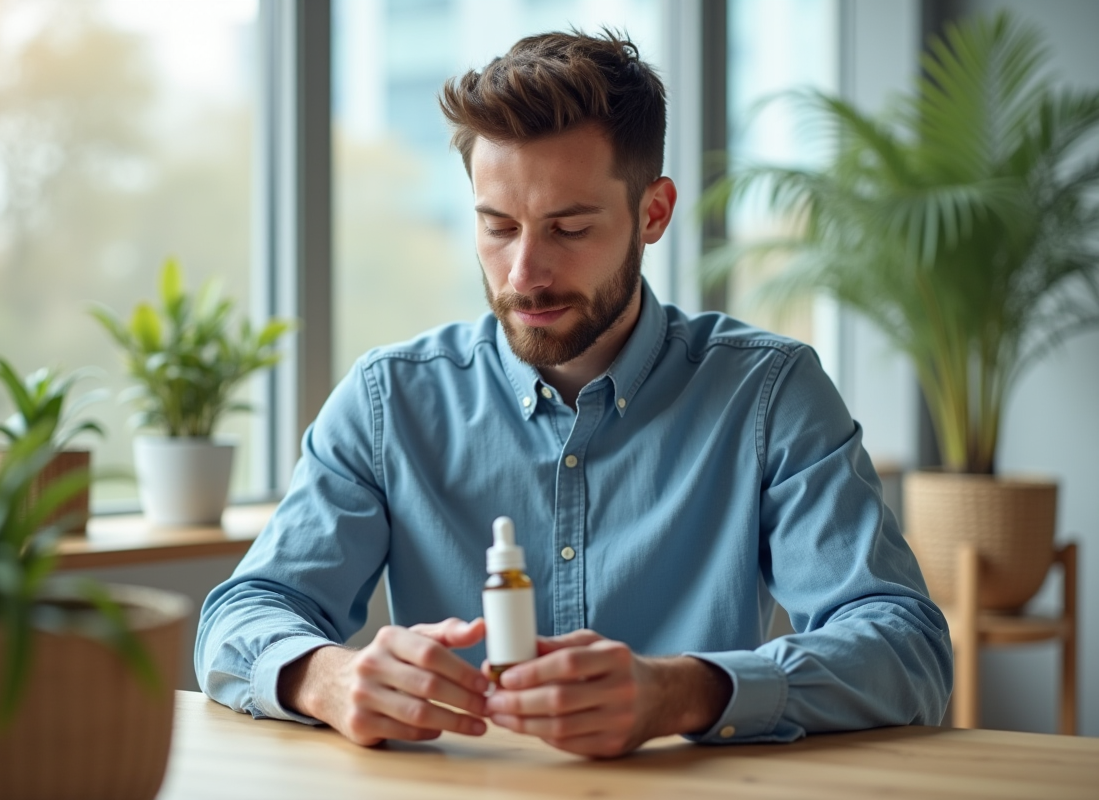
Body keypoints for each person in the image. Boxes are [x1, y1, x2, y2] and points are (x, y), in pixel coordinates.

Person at [196, 30, 952, 759]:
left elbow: (906, 648)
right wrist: (327, 677)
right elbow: (241, 617)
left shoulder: (768, 393)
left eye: (569, 227)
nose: (524, 271)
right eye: (498, 226)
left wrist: (683, 694)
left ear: (652, 213)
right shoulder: (386, 401)